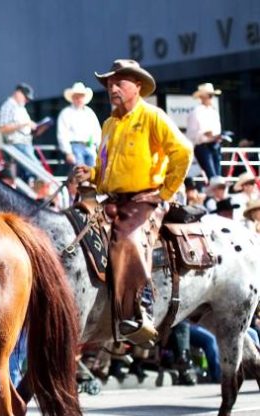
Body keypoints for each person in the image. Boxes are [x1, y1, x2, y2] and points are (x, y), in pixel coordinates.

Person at [72, 59, 192, 346]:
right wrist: (89, 174)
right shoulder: (109, 124)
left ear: (137, 86)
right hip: (112, 199)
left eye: (119, 82)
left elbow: (183, 151)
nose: (113, 87)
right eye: (110, 83)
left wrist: (165, 192)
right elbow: (103, 172)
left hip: (144, 199)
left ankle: (142, 305)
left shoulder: (153, 116)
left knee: (127, 238)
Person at [0, 83, 41, 181]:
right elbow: (3, 128)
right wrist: (24, 124)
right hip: (17, 144)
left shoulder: (20, 107)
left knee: (28, 174)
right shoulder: (8, 106)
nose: (26, 100)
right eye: (25, 97)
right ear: (18, 93)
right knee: (36, 170)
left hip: (25, 143)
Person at [56, 82, 102, 169]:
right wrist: (68, 152)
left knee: (95, 174)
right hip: (75, 147)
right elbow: (62, 134)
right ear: (72, 98)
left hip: (90, 146)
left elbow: (97, 131)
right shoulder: (66, 113)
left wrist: (99, 149)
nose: (79, 99)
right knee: (79, 174)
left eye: (81, 96)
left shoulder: (89, 112)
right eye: (77, 96)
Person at [186, 83, 224, 180]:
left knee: (217, 176)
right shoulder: (196, 112)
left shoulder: (213, 111)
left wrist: (217, 137)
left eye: (211, 96)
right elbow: (191, 134)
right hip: (203, 147)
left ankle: (215, 194)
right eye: (209, 95)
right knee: (212, 176)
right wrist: (204, 134)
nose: (211, 98)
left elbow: (217, 129)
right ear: (202, 97)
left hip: (215, 145)